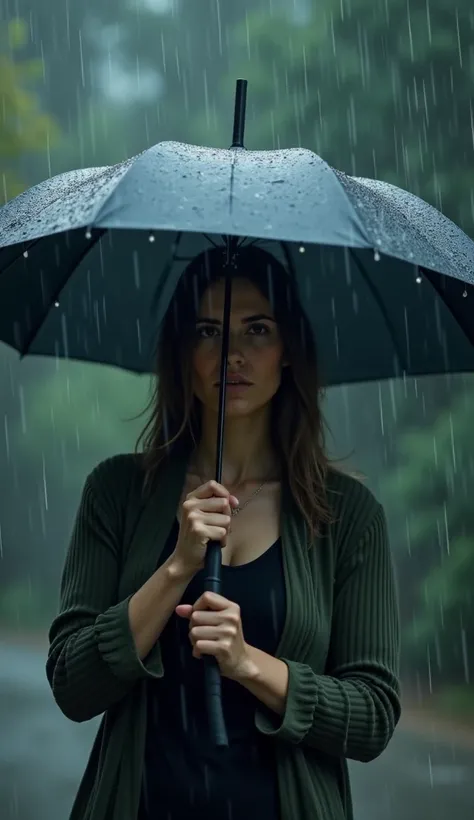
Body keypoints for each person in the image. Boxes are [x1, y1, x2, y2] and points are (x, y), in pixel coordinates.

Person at [46, 244, 401, 820]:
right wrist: (177, 567)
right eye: (208, 330)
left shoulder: (347, 515)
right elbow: (73, 685)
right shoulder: (116, 492)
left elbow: (373, 717)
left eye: (257, 329)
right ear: (184, 352)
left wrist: (248, 663)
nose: (232, 354)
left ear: (289, 350)